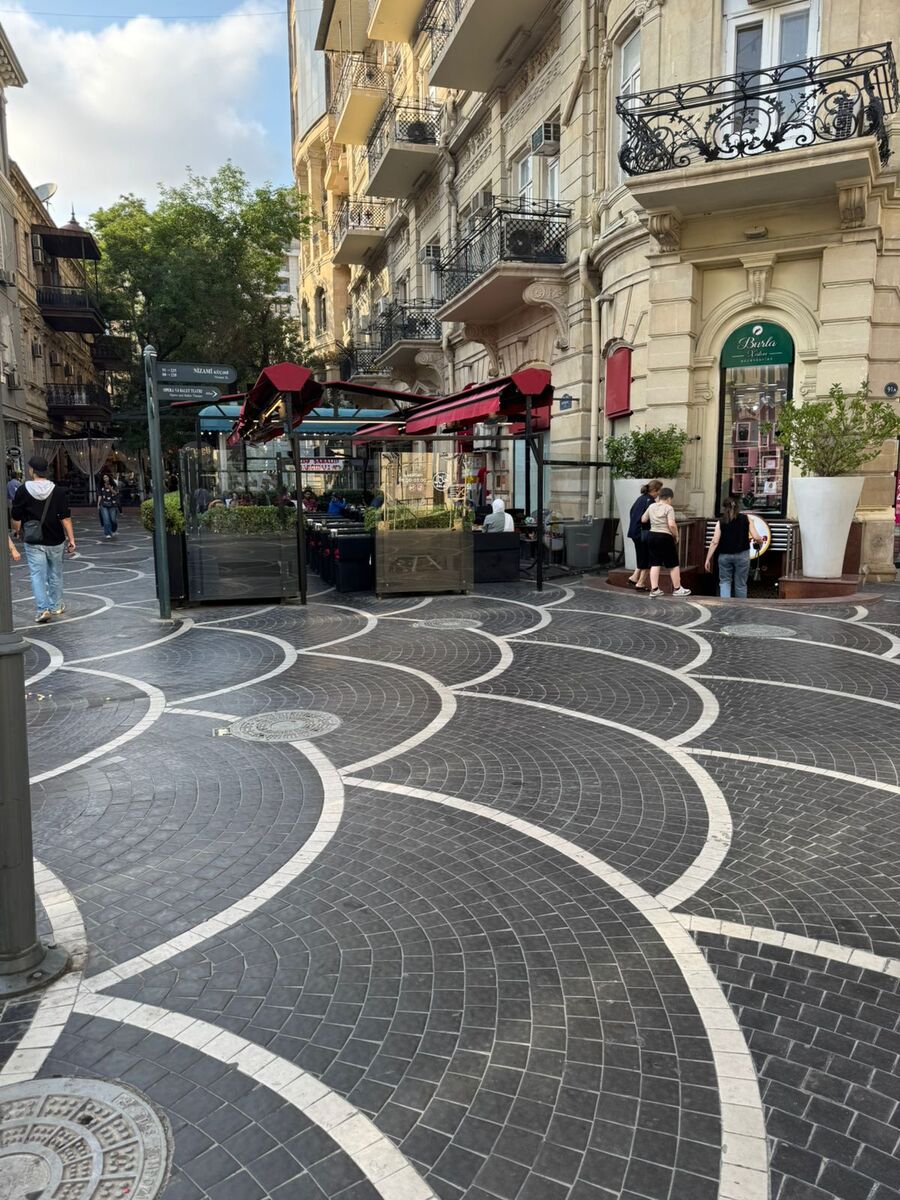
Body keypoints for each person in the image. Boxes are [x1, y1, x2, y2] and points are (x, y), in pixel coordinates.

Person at [10, 456, 76, 624]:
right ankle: (56, 606)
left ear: (32, 470)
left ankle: (42, 609)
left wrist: (17, 531)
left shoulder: (23, 490)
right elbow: (65, 517)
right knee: (55, 574)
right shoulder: (58, 491)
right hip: (56, 539)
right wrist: (71, 539)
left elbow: (16, 516)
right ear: (46, 471)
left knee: (37, 575)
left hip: (34, 540)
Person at [641, 487, 691, 598]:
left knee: (655, 563)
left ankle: (655, 589)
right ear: (668, 498)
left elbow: (643, 519)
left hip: (652, 535)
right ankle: (677, 589)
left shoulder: (651, 506)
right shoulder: (669, 508)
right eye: (671, 499)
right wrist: (676, 535)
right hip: (664, 536)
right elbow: (671, 524)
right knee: (673, 564)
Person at [705, 497, 757, 598]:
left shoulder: (720, 522)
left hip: (724, 555)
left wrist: (708, 559)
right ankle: (740, 605)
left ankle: (726, 605)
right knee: (741, 584)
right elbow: (756, 536)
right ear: (738, 507)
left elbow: (715, 542)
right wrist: (760, 542)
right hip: (742, 555)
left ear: (724, 508)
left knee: (725, 581)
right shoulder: (746, 519)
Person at [626, 479, 662, 590]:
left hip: (635, 532)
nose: (659, 493)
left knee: (642, 556)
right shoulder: (650, 502)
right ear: (654, 490)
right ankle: (640, 583)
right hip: (644, 533)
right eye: (659, 491)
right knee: (649, 559)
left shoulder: (640, 498)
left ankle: (634, 577)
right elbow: (651, 519)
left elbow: (631, 512)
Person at [97, 473, 120, 538]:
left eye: (106, 477)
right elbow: (100, 495)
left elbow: (115, 493)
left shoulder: (114, 485)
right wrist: (98, 504)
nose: (105, 479)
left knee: (113, 519)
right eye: (104, 478)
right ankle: (108, 533)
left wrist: (110, 488)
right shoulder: (101, 486)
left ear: (109, 478)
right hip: (103, 504)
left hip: (112, 504)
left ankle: (113, 529)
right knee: (106, 519)